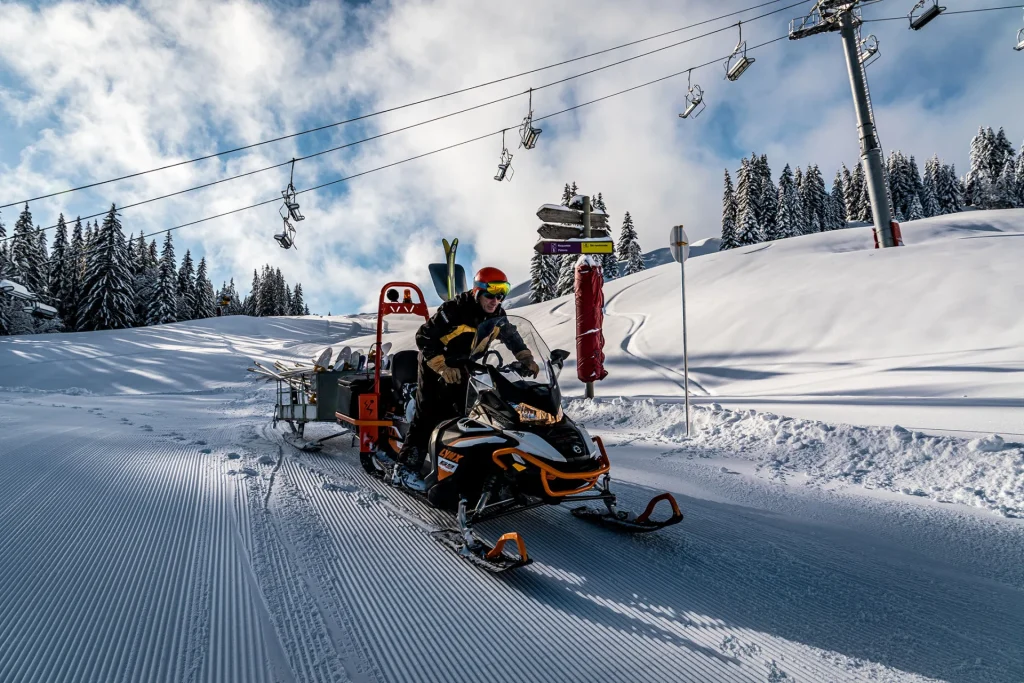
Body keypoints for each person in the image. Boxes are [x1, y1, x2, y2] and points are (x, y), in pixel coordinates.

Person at [392, 267, 540, 491]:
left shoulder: (497, 314)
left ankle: (463, 467)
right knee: (429, 413)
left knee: (471, 416)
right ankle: (405, 469)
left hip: (467, 368)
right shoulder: (454, 310)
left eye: (501, 295)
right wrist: (442, 366)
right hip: (436, 366)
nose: (495, 300)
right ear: (477, 292)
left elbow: (511, 335)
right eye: (490, 295)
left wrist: (525, 356)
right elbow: (423, 336)